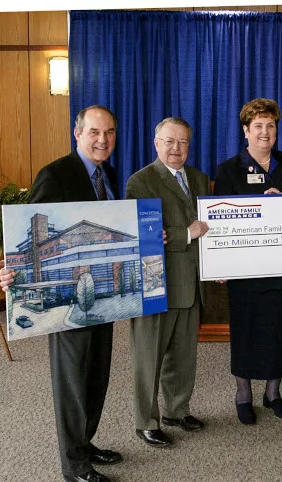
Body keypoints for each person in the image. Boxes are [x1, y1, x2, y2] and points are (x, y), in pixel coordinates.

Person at [0, 105, 122, 482]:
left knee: (97, 373)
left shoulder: (109, 174)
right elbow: (29, 228)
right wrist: (13, 271)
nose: (103, 140)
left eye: (110, 132)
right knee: (71, 380)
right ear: (77, 133)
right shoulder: (55, 174)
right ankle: (74, 466)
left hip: (100, 298)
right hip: (67, 296)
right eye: (95, 132)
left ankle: (85, 442)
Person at [213, 98, 282, 424]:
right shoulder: (228, 170)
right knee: (247, 329)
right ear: (245, 131)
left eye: (270, 125)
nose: (265, 132)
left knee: (281, 327)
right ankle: (243, 395)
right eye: (258, 126)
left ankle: (273, 393)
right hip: (246, 270)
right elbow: (220, 221)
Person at [125, 117, 210, 446]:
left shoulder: (201, 179)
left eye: (183, 142)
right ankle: (146, 421)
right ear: (156, 143)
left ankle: (177, 409)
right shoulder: (141, 182)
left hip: (191, 285)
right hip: (155, 284)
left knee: (184, 355)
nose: (176, 149)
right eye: (170, 141)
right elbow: (146, 236)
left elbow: (211, 228)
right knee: (148, 358)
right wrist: (186, 233)